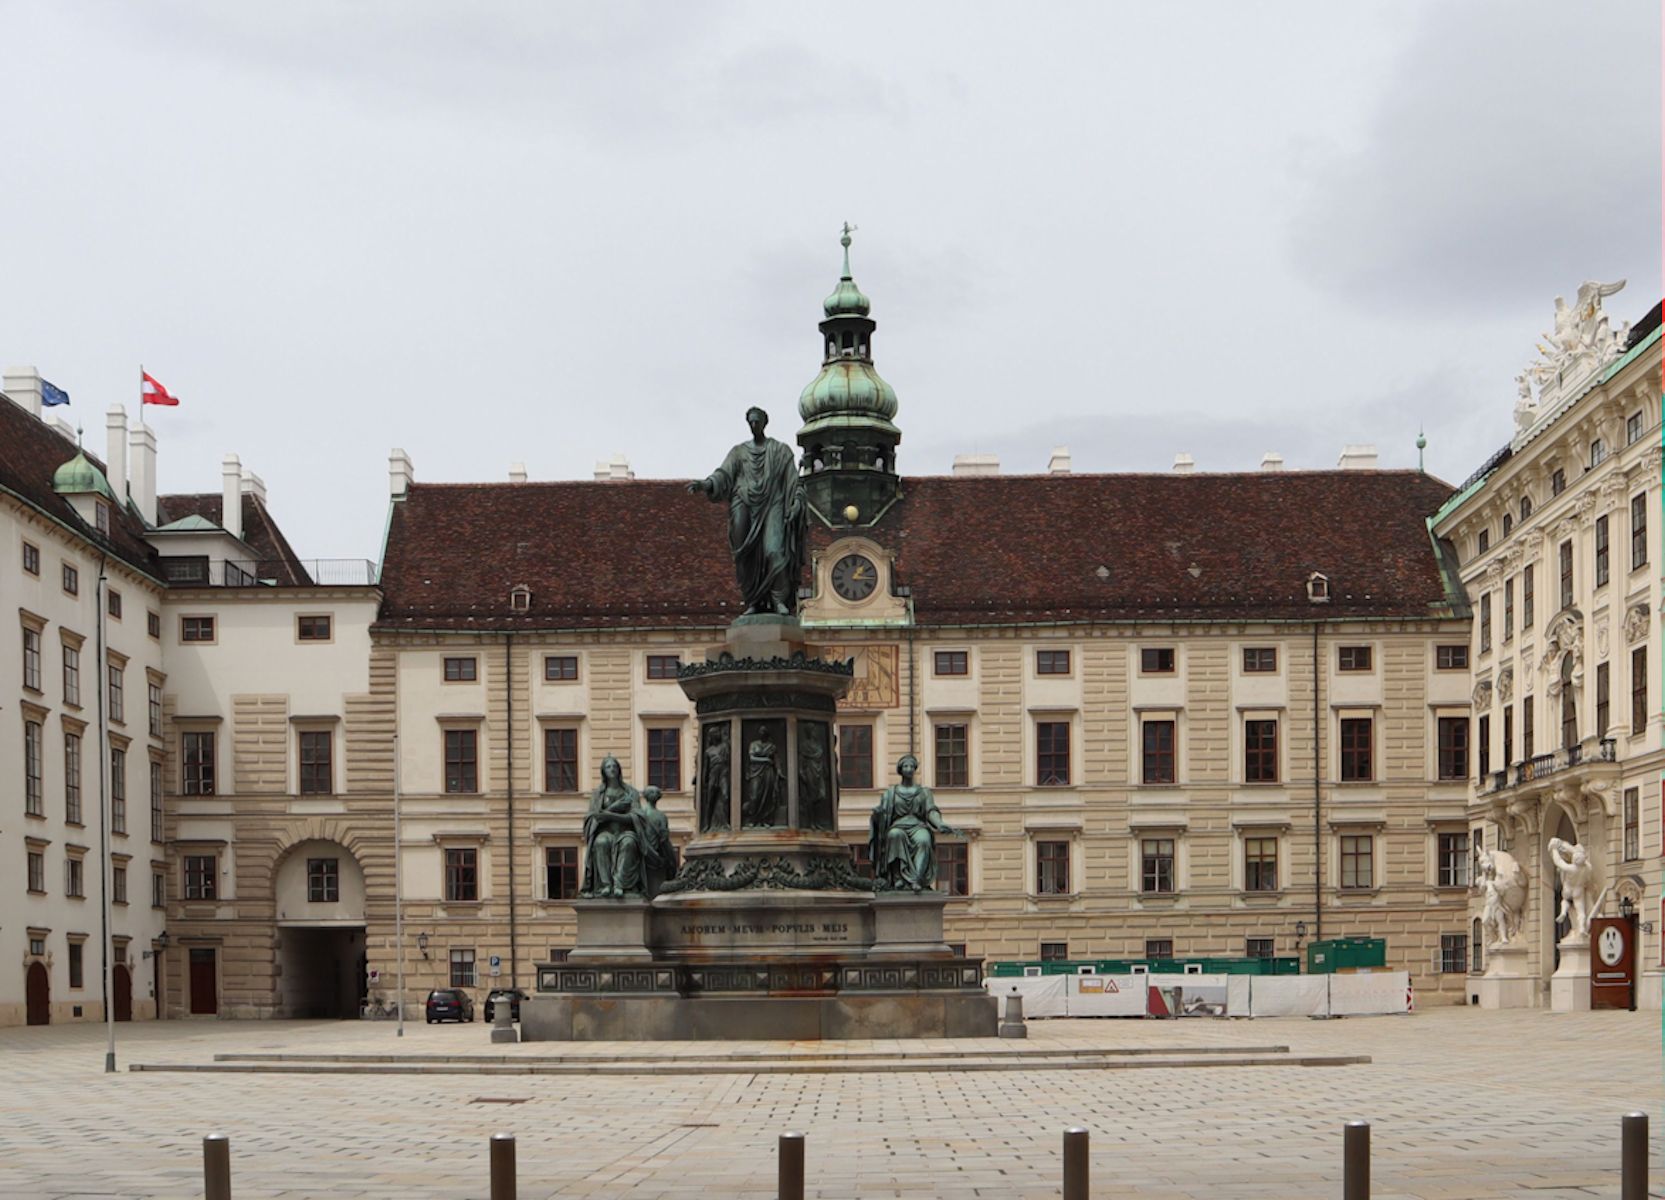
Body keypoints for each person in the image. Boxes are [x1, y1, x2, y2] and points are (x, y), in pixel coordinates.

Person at [687, 407, 807, 616]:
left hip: (773, 504)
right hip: (743, 503)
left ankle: (778, 599)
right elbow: (723, 474)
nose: (754, 425)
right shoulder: (739, 452)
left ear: (764, 423)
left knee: (774, 551)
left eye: (757, 421)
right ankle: (754, 600)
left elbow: (793, 480)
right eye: (750, 422)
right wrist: (705, 484)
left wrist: (796, 501)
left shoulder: (780, 451)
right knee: (745, 556)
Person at [868, 754, 959, 891]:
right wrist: (877, 815)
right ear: (900, 770)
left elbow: (930, 811)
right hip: (898, 825)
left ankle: (917, 879)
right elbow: (883, 815)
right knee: (894, 835)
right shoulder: (890, 793)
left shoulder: (924, 792)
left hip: (917, 826)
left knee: (924, 840)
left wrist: (939, 823)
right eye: (906, 766)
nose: (909, 769)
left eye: (911, 766)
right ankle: (897, 878)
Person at [580, 756, 641, 898]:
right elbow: (594, 817)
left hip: (625, 831)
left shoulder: (631, 793)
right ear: (603, 771)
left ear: (619, 770)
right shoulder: (597, 794)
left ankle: (620, 884)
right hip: (605, 832)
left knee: (629, 844)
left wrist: (609, 815)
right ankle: (605, 884)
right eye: (608, 767)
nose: (612, 769)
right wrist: (615, 808)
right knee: (600, 843)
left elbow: (636, 817)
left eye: (614, 766)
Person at [636, 785, 675, 898]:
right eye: (651, 792)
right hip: (651, 853)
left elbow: (664, 836)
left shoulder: (646, 814)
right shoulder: (647, 814)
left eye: (655, 792)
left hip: (649, 852)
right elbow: (664, 837)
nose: (654, 794)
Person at [743, 726, 783, 826]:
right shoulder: (754, 744)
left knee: (767, 795)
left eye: (764, 731)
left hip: (768, 772)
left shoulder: (771, 746)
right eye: (760, 731)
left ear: (767, 734)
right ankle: (753, 819)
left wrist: (779, 771)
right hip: (755, 771)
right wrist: (765, 760)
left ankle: (765, 819)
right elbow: (751, 758)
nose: (762, 733)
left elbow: (777, 760)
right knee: (754, 795)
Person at [702, 726, 731, 832]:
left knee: (725, 796)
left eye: (719, 732)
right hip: (713, 774)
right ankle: (707, 824)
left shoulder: (725, 746)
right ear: (712, 736)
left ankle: (726, 822)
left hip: (723, 772)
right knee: (710, 800)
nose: (719, 734)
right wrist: (704, 781)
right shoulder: (708, 751)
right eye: (716, 733)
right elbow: (706, 767)